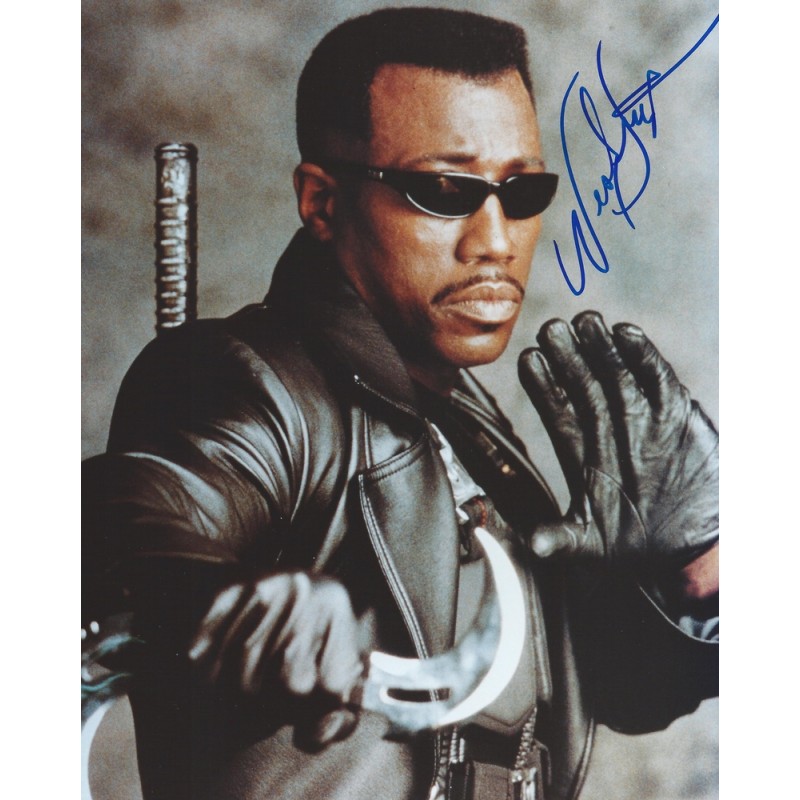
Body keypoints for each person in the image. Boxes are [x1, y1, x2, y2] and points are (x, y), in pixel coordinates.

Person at [82, 8, 718, 800]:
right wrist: (220, 599)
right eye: (444, 190)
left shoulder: (471, 427)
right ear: (322, 202)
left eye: (523, 192)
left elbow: (620, 696)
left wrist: (696, 572)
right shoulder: (250, 382)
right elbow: (127, 519)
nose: (496, 240)